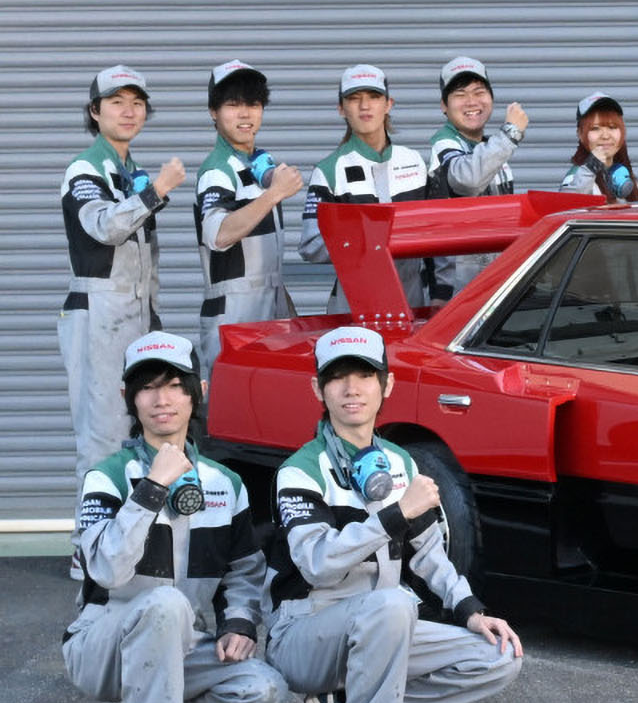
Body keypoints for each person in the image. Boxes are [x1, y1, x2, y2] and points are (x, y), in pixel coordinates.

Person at [268, 326, 523, 703]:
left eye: (365, 375)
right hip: (305, 634)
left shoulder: (401, 462)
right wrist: (393, 516)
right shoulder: (300, 470)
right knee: (391, 603)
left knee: (498, 656)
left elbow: (429, 554)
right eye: (337, 377)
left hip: (380, 623)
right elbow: (318, 564)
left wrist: (470, 609)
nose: (351, 388)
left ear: (386, 386)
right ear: (317, 390)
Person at [66, 332, 285, 703]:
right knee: (165, 602)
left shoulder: (225, 484)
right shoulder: (107, 475)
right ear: (129, 398)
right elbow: (104, 568)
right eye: (146, 387)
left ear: (197, 392)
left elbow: (243, 572)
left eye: (175, 385)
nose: (162, 399)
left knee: (264, 687)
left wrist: (239, 624)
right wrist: (151, 487)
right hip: (102, 643)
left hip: (180, 643)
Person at [60, 65, 186, 478]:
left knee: (141, 430)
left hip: (138, 316)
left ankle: (133, 538)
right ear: (95, 111)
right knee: (103, 438)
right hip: (98, 313)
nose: (129, 112)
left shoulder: (129, 170)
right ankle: (88, 542)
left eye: (137, 103)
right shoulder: (86, 169)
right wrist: (157, 191)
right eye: (117, 103)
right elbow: (103, 227)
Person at [300, 65, 437, 311]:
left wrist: (439, 293)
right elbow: (311, 246)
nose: (365, 106)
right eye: (354, 99)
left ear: (388, 104)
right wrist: (365, 237)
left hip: (414, 301)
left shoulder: (414, 161)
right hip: (353, 306)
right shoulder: (329, 170)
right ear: (341, 109)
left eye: (374, 97)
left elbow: (435, 235)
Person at [195, 60, 300, 375]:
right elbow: (218, 235)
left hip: (271, 304)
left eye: (253, 104)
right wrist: (272, 195)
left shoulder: (258, 162)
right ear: (213, 112)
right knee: (232, 415)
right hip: (233, 312)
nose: (244, 114)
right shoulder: (217, 170)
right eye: (232, 104)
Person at [426, 55, 527, 295]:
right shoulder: (444, 144)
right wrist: (511, 133)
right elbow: (468, 180)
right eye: (460, 95)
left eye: (479, 92)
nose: (471, 102)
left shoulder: (490, 149)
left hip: (490, 284)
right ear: (444, 105)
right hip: (456, 292)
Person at [558, 92, 638, 202]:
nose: (605, 136)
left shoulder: (623, 173)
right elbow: (565, 205)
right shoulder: (576, 177)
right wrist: (591, 167)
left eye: (612, 127)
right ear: (580, 134)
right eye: (595, 128)